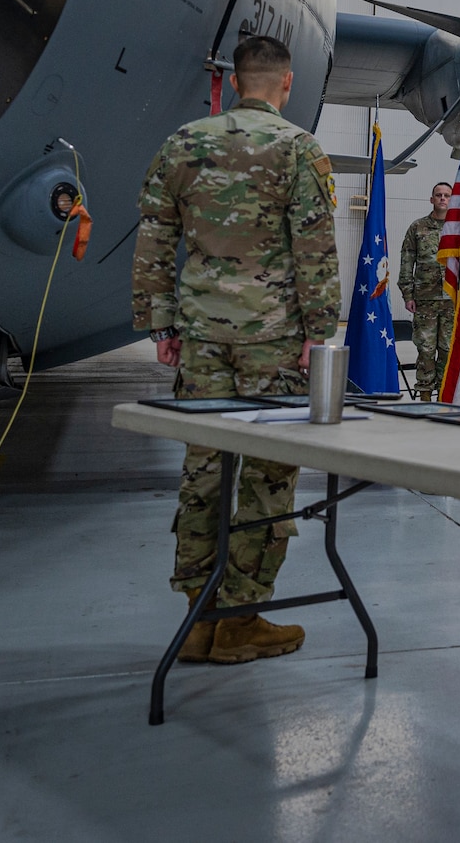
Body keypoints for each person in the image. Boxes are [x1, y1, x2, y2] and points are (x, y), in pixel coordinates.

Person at [132, 34, 338, 665]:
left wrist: (160, 324)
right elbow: (313, 249)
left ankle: (198, 617)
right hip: (272, 339)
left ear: (233, 81)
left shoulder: (184, 143)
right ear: (287, 82)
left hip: (199, 336)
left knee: (204, 470)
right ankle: (241, 618)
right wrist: (320, 332)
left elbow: (154, 237)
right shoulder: (299, 149)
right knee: (267, 474)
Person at [399, 181, 453, 401]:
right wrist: (408, 294)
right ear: (432, 199)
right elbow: (407, 261)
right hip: (425, 298)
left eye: (446, 195)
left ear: (452, 200)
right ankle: (424, 392)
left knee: (448, 348)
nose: (442, 198)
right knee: (426, 348)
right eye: (438, 195)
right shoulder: (418, 227)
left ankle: (445, 390)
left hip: (451, 299)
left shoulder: (459, 228)